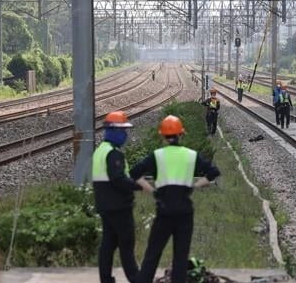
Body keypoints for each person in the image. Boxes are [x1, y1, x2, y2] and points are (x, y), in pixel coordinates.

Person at [130, 115, 220, 283]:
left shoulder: (157, 156)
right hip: (185, 212)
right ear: (181, 134)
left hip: (164, 211)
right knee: (180, 256)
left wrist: (152, 190)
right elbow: (213, 172)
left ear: (163, 136)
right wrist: (196, 185)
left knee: (152, 253)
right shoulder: (191, 155)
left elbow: (134, 173)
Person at [92, 111, 154, 283]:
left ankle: (106, 279)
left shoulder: (100, 151)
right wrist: (139, 186)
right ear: (113, 131)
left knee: (108, 244)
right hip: (118, 206)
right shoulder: (113, 154)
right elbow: (118, 179)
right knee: (126, 243)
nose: (125, 134)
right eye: (123, 131)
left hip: (105, 205)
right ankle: (135, 278)